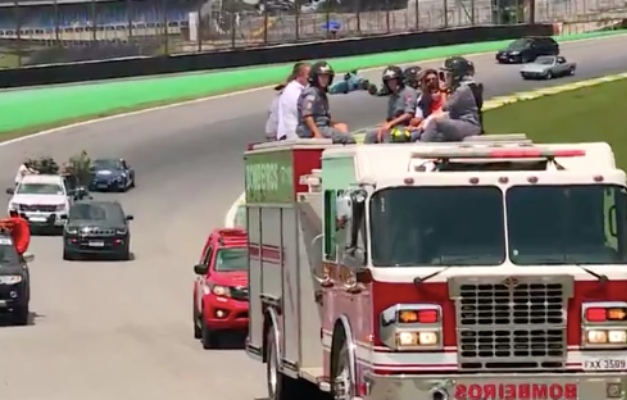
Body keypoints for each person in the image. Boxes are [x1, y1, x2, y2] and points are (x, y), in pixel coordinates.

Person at [418, 56, 483, 142]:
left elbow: (445, 107)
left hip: (469, 125)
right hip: (461, 123)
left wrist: (443, 91)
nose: (446, 76)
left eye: (448, 74)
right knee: (438, 135)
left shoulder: (462, 89)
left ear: (456, 75)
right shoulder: (461, 88)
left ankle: (421, 146)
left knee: (435, 122)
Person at [295, 61, 354, 144]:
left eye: (326, 77)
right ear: (315, 77)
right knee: (347, 139)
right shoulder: (312, 93)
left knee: (343, 129)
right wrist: (316, 133)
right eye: (321, 77)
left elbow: (323, 118)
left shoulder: (321, 93)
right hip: (310, 129)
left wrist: (336, 125)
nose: (324, 80)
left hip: (322, 127)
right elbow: (307, 115)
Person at [364, 65, 418, 144]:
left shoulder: (409, 92)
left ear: (399, 80)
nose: (391, 83)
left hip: (405, 126)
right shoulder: (393, 96)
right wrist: (382, 128)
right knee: (370, 135)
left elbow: (409, 114)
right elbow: (389, 119)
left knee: (387, 135)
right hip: (393, 126)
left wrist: (390, 124)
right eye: (388, 81)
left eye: (393, 80)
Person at [408, 69, 446, 140]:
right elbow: (418, 118)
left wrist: (443, 92)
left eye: (434, 79)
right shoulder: (422, 98)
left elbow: (445, 109)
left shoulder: (445, 92)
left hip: (442, 123)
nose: (431, 82)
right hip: (426, 126)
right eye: (428, 80)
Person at [277, 62, 311, 141]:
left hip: (293, 131)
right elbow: (304, 114)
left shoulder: (298, 89)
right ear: (299, 76)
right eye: (309, 75)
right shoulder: (294, 91)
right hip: (293, 134)